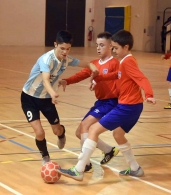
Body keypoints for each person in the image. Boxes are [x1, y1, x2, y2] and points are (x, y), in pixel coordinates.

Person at [57, 30, 156, 181]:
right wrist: (98, 78)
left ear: (125, 47)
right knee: (117, 134)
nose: (114, 50)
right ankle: (135, 168)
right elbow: (116, 76)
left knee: (93, 130)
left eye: (115, 48)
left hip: (124, 106)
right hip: (131, 106)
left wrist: (149, 95)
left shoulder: (125, 62)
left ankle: (79, 169)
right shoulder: (125, 61)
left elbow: (142, 78)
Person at [21, 30, 98, 165]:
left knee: (57, 130)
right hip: (29, 98)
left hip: (45, 100)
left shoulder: (66, 60)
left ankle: (61, 134)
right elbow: (45, 80)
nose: (65, 52)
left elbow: (85, 63)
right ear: (55, 44)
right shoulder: (46, 60)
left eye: (68, 49)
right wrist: (52, 93)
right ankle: (45, 156)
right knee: (39, 132)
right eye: (62, 48)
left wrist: (93, 67)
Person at [58, 32, 119, 173]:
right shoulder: (94, 64)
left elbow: (119, 80)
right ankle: (109, 150)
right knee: (80, 132)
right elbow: (81, 75)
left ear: (110, 46)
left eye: (102, 45)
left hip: (111, 102)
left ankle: (84, 163)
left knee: (85, 125)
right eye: (97, 45)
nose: (98, 48)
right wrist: (67, 80)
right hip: (100, 102)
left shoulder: (115, 63)